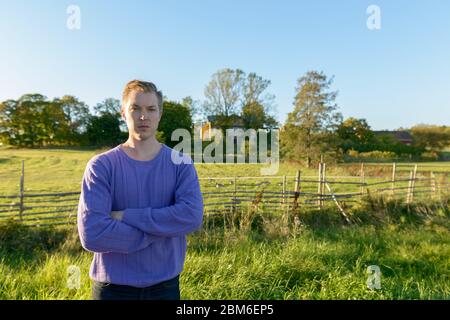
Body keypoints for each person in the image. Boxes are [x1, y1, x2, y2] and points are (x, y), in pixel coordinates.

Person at [77, 80, 203, 300]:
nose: (143, 116)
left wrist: (126, 216)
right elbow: (92, 234)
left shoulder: (181, 164)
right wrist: (161, 230)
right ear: (123, 113)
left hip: (165, 287)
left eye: (151, 109)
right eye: (135, 108)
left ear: (159, 114)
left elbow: (191, 216)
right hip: (112, 288)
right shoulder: (101, 166)